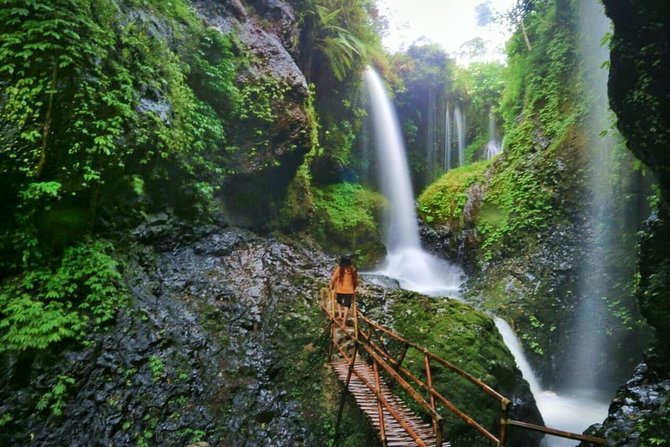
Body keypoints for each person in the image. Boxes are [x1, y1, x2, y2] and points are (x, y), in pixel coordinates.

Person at [329, 254, 358, 326]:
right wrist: (354, 287)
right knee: (347, 306)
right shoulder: (352, 269)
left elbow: (333, 279)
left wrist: (331, 287)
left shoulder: (339, 268)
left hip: (340, 289)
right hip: (349, 290)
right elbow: (355, 280)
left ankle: (339, 315)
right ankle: (344, 322)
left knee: (339, 302)